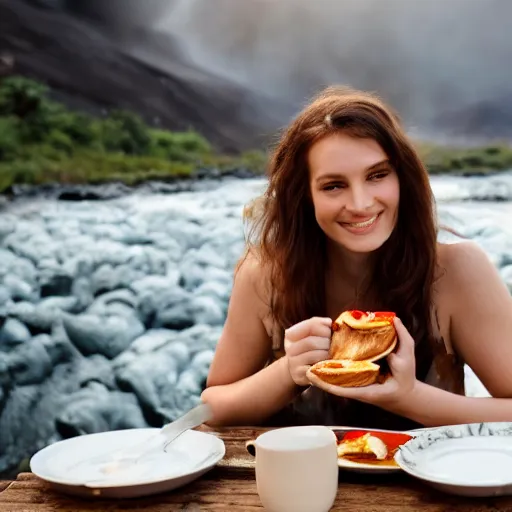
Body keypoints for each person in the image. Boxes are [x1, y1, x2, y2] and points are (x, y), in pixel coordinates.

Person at [200, 85, 512, 430]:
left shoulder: (458, 270)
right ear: (305, 197)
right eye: (334, 185)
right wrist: (288, 372)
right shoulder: (263, 275)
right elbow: (213, 406)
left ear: (403, 180)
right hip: (302, 483)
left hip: (429, 483)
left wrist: (411, 398)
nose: (361, 204)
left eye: (377, 175)